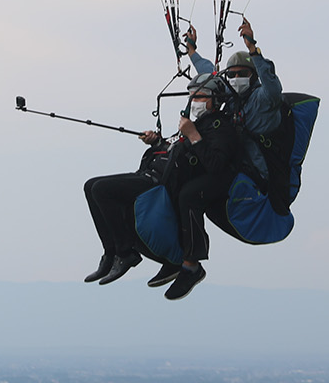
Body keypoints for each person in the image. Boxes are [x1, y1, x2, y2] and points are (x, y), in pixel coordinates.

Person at [152, 72, 241, 300]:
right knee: (171, 187)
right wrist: (157, 142)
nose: (195, 101)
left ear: (214, 100)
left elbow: (216, 164)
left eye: (201, 97)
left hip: (223, 178)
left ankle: (192, 264)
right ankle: (174, 257)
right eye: (192, 97)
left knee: (188, 196)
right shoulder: (198, 123)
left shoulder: (221, 126)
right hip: (201, 170)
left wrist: (193, 135)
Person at [186, 17, 285, 194]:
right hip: (235, 167)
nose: (236, 78)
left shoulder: (263, 100)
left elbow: (273, 87)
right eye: (232, 74)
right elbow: (210, 74)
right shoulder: (230, 94)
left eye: (243, 73)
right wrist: (192, 52)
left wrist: (253, 50)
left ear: (254, 75)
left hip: (257, 173)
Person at [82, 130, 168, 286]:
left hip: (158, 180)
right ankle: (111, 252)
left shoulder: (199, 128)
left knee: (101, 189)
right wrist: (156, 141)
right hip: (146, 173)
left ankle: (125, 252)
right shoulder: (189, 124)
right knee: (90, 186)